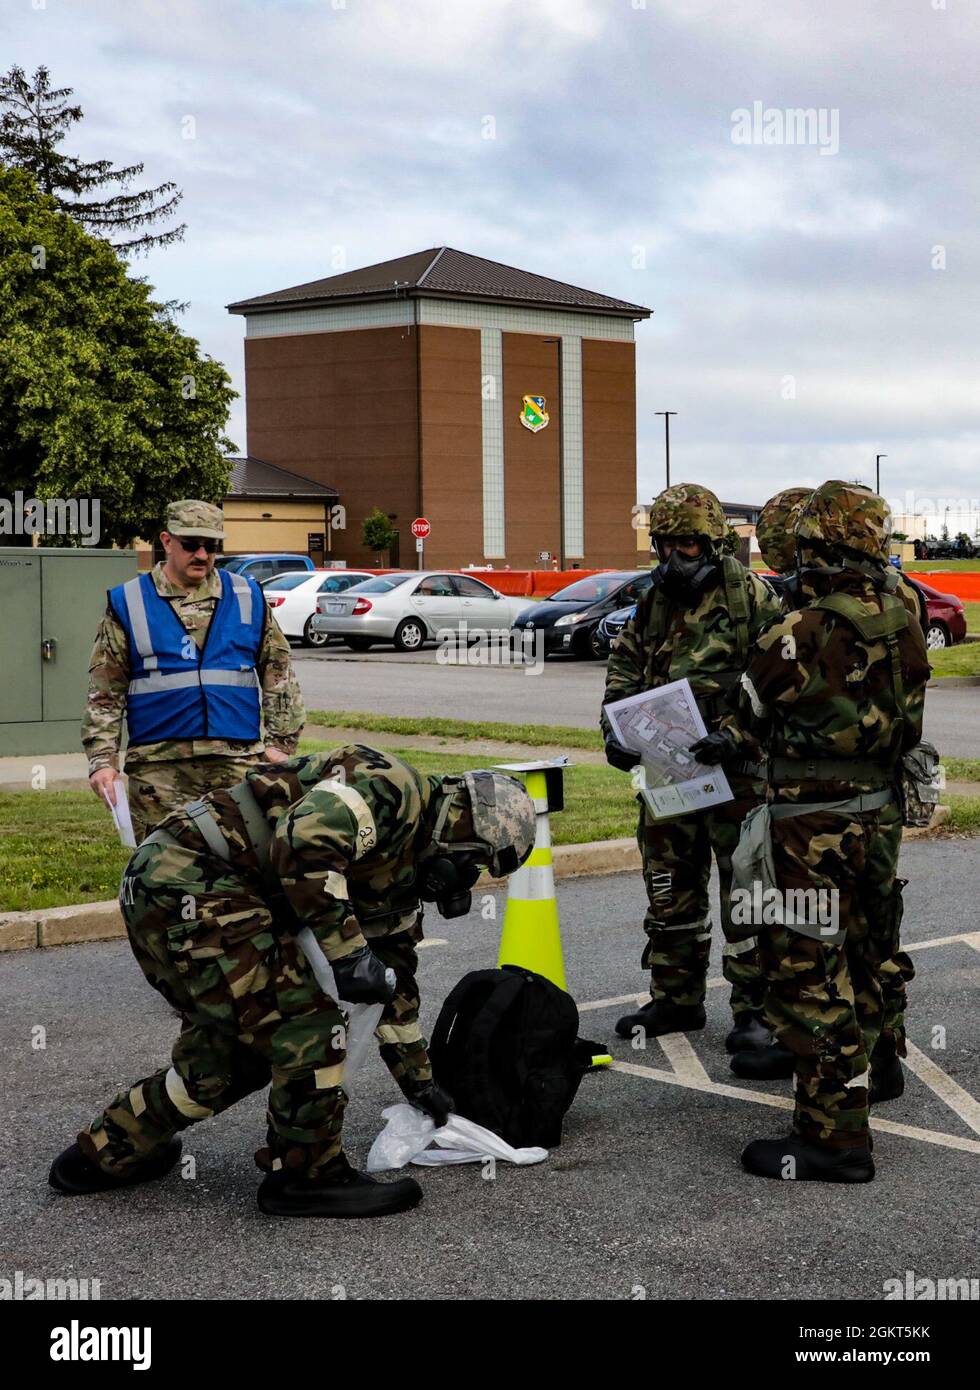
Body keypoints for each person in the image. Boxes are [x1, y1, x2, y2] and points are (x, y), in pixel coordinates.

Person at [49, 747, 537, 1217]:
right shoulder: (390, 788)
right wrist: (349, 955)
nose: (464, 878)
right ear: (461, 820)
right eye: (472, 861)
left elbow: (393, 982)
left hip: (194, 893)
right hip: (187, 884)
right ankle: (307, 1179)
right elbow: (302, 841)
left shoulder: (403, 866)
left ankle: (110, 1148)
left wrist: (420, 1082)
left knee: (231, 1061)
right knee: (308, 1031)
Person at [691, 482, 930, 1181]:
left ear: (818, 548)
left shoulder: (801, 629)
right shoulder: (905, 613)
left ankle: (834, 1138)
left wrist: (721, 741)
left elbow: (751, 709)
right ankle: (879, 1066)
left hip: (809, 824)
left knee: (807, 972)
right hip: (877, 812)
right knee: (867, 951)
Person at [601, 482, 782, 1052]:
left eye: (689, 545)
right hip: (669, 774)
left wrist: (735, 735)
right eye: (667, 544)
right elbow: (625, 665)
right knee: (669, 887)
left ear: (714, 544)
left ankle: (756, 1010)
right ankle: (675, 999)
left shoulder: (752, 598)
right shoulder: (654, 602)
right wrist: (615, 728)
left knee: (747, 891)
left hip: (739, 777)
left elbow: (781, 683)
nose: (677, 556)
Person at [83, 499, 304, 843]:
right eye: (191, 544)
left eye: (212, 545)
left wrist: (280, 746)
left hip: (237, 763)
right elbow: (105, 692)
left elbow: (279, 673)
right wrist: (102, 760)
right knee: (164, 871)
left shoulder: (248, 596)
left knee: (245, 868)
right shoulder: (129, 602)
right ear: (167, 541)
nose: (202, 554)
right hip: (159, 770)